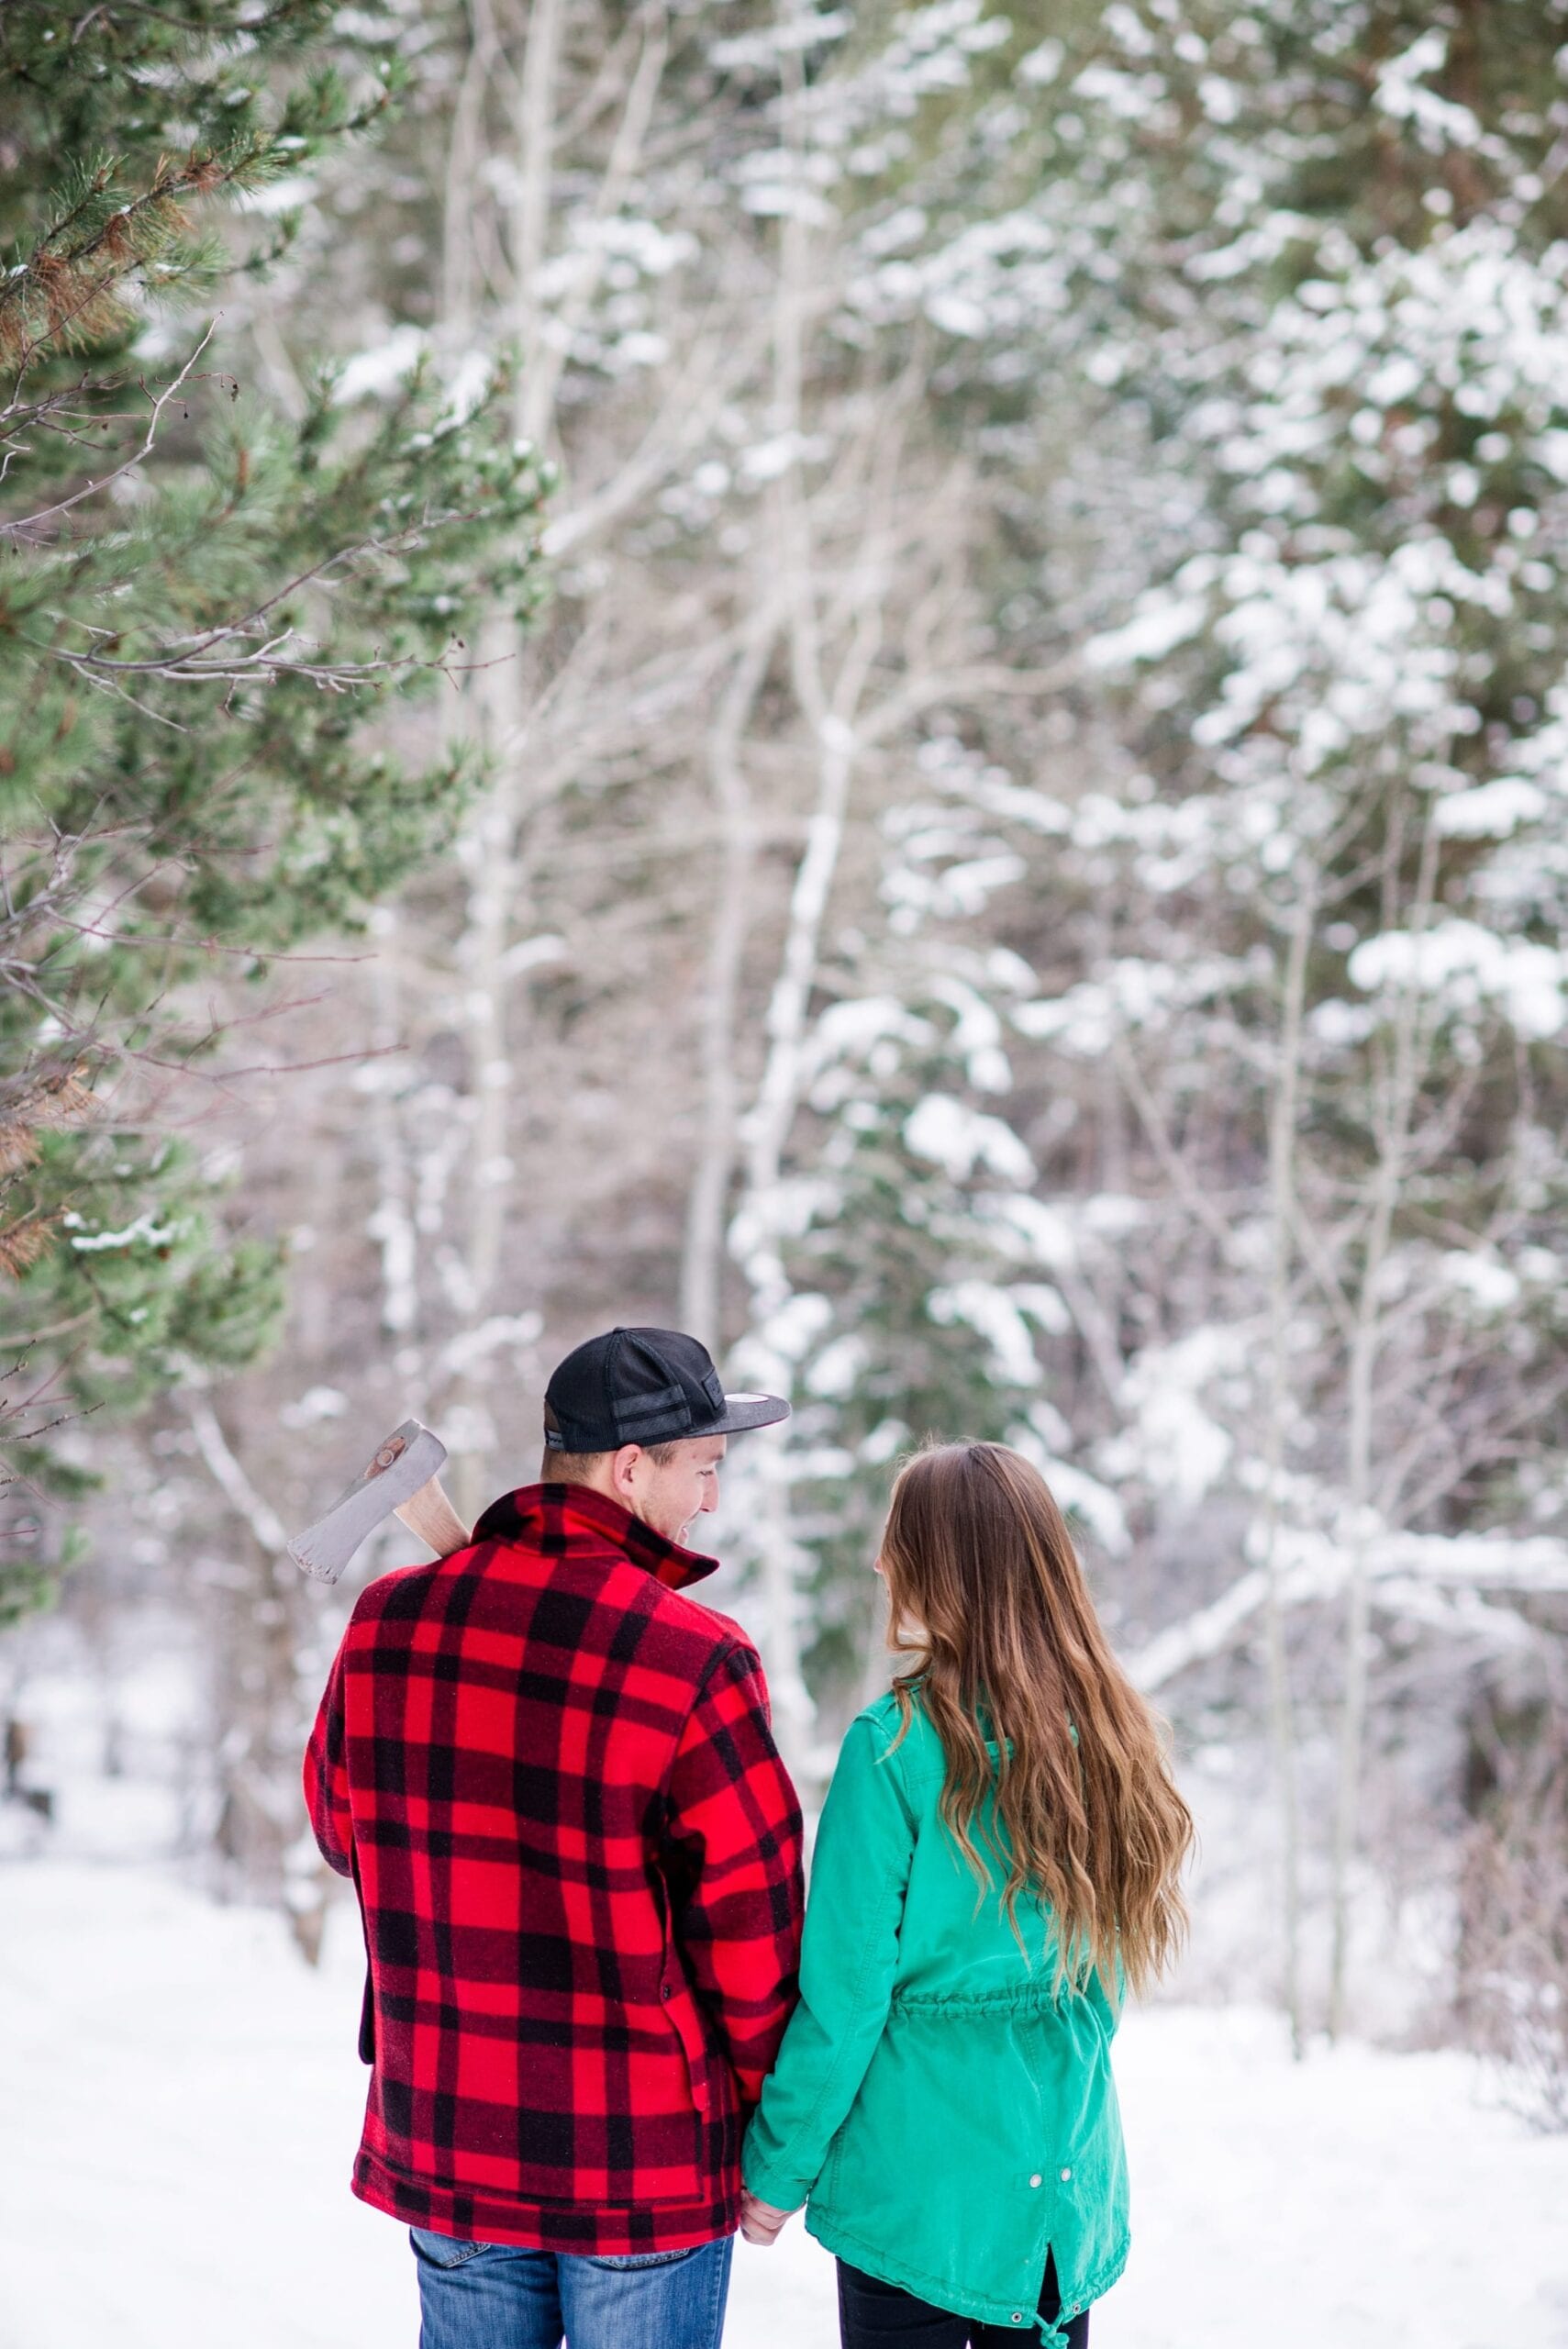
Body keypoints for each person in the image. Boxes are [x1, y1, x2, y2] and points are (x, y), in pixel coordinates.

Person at [304, 1326, 806, 2349]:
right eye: (702, 1468)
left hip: (451, 2130)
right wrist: (771, 2125)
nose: (710, 1497)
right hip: (640, 2159)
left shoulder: (386, 1622)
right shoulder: (694, 1659)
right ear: (630, 1467)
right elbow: (753, 1933)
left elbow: (339, 1827)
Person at [739, 1441, 1195, 2349]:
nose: (877, 1561)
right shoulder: (1112, 1737)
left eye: (894, 1539)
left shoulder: (890, 1750)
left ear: (939, 1568)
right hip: (1062, 2198)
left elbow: (844, 2000)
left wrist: (775, 2169)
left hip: (919, 2205)